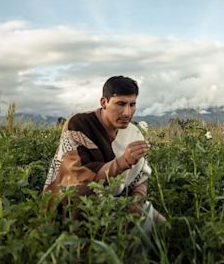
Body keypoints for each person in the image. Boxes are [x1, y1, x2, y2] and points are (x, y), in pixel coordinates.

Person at [43, 75, 165, 232]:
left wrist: (137, 199)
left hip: (121, 201)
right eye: (120, 104)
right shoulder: (79, 124)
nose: (127, 112)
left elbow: (141, 175)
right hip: (75, 204)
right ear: (104, 102)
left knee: (164, 229)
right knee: (81, 200)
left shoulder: (133, 133)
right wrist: (123, 162)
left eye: (132, 104)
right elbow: (78, 176)